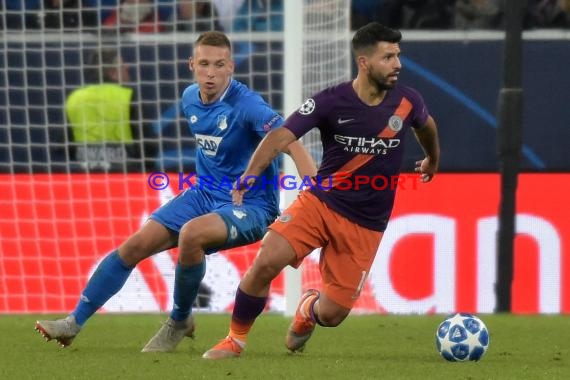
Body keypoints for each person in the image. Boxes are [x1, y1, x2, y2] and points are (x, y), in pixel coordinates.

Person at [35, 31, 317, 352]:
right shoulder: (189, 98)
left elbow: (287, 137)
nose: (211, 72)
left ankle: (179, 320)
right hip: (203, 194)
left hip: (250, 204)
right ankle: (73, 322)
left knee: (191, 234)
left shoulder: (247, 105)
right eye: (204, 64)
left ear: (231, 67)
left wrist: (310, 179)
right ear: (191, 65)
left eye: (219, 65)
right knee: (134, 245)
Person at [202, 22, 440, 359]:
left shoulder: (407, 101)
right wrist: (252, 173)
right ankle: (235, 340)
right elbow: (282, 136)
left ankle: (308, 309)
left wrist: (432, 158)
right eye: (388, 57)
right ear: (364, 62)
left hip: (365, 224)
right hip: (321, 203)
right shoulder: (332, 101)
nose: (397, 64)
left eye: (397, 56)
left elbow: (427, 126)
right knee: (266, 259)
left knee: (332, 315)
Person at [65, 48, 155, 172]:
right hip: (125, 174)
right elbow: (147, 143)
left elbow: (64, 144)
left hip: (85, 175)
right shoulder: (128, 96)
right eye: (123, 66)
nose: (128, 68)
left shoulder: (75, 98)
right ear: (112, 72)